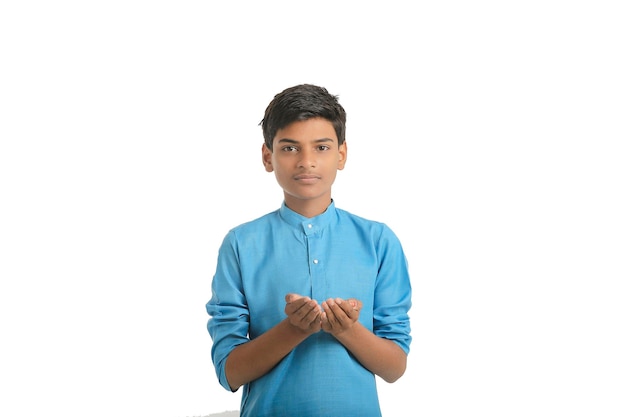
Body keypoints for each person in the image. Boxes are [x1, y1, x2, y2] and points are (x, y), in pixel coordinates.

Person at [206, 84, 412, 417]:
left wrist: (346, 329)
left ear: (341, 154)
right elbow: (229, 372)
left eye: (321, 147)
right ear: (267, 156)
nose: (306, 161)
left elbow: (394, 367)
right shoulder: (241, 244)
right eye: (289, 148)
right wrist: (293, 330)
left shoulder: (378, 241)